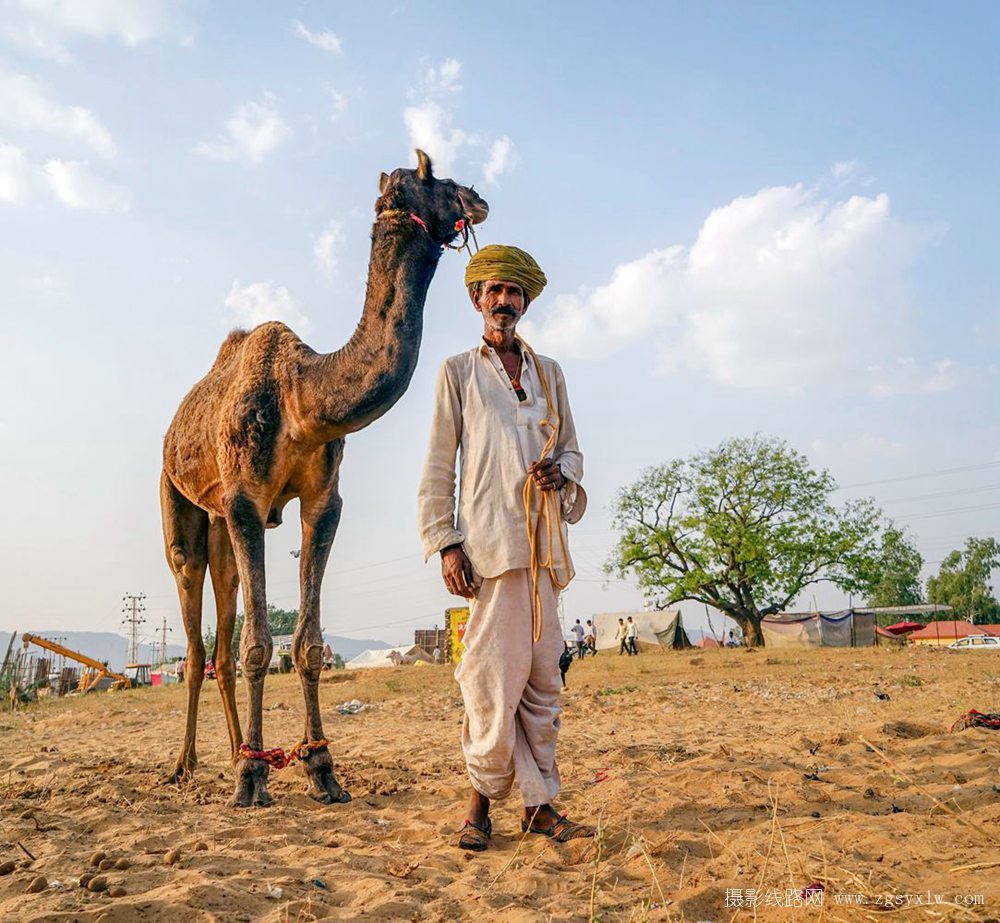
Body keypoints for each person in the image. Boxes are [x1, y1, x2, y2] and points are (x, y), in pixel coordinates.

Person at [418, 244, 593, 851]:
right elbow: (440, 464)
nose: (503, 302)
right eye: (492, 291)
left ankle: (539, 806)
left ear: (525, 303)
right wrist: (446, 542)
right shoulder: (457, 373)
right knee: (491, 679)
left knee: (543, 681)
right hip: (489, 548)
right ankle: (478, 810)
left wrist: (562, 474)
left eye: (513, 293)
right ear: (476, 299)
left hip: (544, 548)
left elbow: (571, 447)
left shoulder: (551, 374)